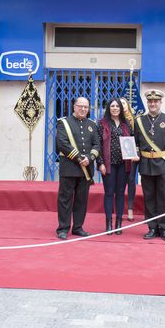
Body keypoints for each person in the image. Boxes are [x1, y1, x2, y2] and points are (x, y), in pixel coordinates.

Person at [133, 89, 165, 242]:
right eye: (150, 101)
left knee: (164, 198)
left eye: (155, 101)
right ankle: (152, 227)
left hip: (164, 165)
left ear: (161, 102)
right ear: (147, 102)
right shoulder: (139, 121)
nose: (153, 104)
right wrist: (134, 155)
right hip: (146, 165)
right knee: (149, 198)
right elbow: (135, 142)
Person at [55, 97, 100, 240]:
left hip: (85, 170)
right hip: (69, 168)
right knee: (65, 199)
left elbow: (96, 145)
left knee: (82, 200)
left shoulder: (92, 125)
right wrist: (79, 158)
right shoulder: (64, 123)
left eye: (86, 107)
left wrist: (90, 158)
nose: (83, 109)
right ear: (74, 107)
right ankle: (63, 228)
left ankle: (78, 227)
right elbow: (62, 143)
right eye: (80, 106)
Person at [96, 98, 133, 236]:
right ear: (108, 108)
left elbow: (132, 141)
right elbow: (97, 144)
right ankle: (109, 224)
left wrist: (134, 153)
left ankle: (118, 223)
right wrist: (100, 163)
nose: (115, 108)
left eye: (117, 106)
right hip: (108, 164)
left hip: (124, 164)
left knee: (120, 193)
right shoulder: (102, 123)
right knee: (109, 193)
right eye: (112, 106)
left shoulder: (126, 124)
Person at [120, 97, 138, 222]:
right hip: (118, 154)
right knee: (120, 181)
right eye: (119, 103)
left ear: (128, 105)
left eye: (124, 103)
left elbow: (138, 137)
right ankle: (119, 208)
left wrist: (135, 152)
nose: (122, 105)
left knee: (131, 180)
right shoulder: (115, 119)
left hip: (132, 154)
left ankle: (130, 208)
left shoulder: (135, 121)